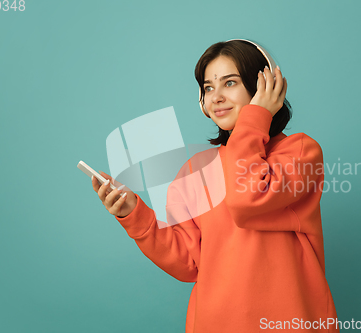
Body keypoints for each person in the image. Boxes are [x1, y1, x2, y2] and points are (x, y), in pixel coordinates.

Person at [91, 39, 339, 332]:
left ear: (264, 87)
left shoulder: (299, 152)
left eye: (230, 83)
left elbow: (247, 199)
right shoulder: (195, 170)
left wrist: (256, 118)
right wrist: (134, 214)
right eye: (208, 87)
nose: (216, 96)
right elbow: (188, 263)